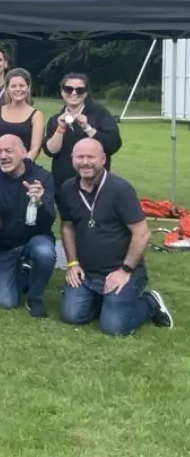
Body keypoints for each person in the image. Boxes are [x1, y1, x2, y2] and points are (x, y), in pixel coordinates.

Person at [58, 139, 172, 335]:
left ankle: (149, 302)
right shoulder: (68, 188)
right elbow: (67, 227)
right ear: (72, 159)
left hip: (120, 270)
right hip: (86, 273)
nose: (85, 162)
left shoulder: (120, 189)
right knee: (72, 316)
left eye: (91, 157)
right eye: (80, 157)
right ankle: (106, 302)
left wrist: (125, 270)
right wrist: (72, 263)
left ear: (103, 159)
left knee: (115, 327)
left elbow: (142, 233)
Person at [0, 134, 56, 317]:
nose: (3, 156)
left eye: (9, 150)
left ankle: (35, 297)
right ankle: (24, 272)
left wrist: (39, 202)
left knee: (45, 253)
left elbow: (50, 220)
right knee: (6, 302)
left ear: (24, 152)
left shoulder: (42, 177)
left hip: (35, 238)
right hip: (5, 244)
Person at [43, 73, 122, 202]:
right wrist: (60, 129)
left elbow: (113, 144)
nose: (74, 93)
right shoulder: (55, 119)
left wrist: (88, 128)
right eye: (69, 89)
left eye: (80, 90)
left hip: (94, 181)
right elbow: (50, 151)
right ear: (62, 92)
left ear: (86, 93)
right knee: (67, 220)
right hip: (64, 182)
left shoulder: (100, 114)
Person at [0, 68, 43, 172]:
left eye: (22, 85)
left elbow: (35, 148)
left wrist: (21, 169)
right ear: (7, 89)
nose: (18, 89)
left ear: (28, 88)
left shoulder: (37, 115)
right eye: (13, 86)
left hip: (23, 170)